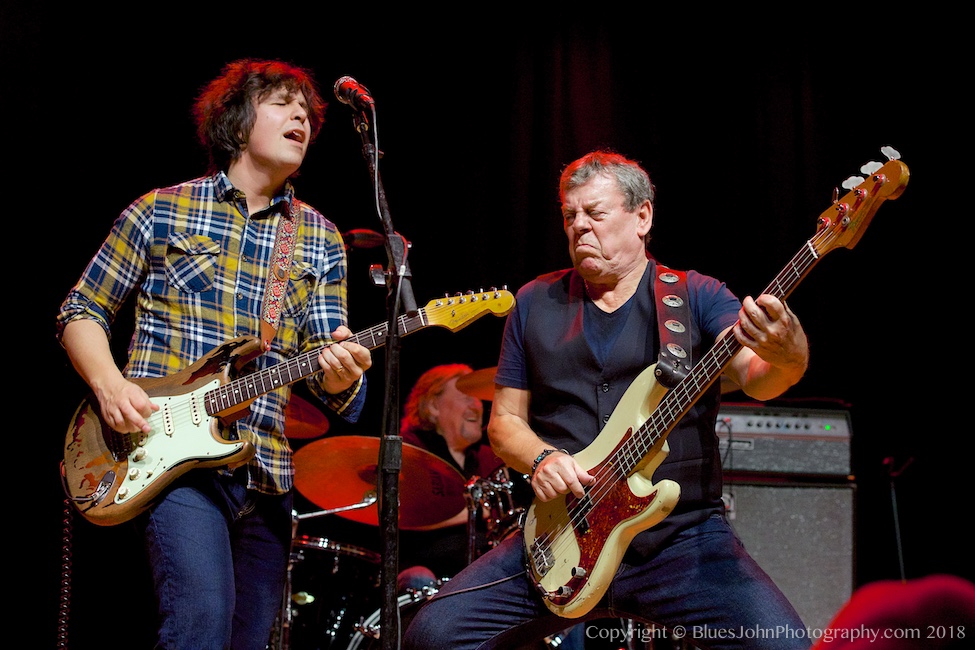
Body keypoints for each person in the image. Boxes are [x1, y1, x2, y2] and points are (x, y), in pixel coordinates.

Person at [403, 149, 812, 650]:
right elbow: (505, 421)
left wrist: (789, 355)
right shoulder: (533, 302)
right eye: (569, 215)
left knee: (783, 645)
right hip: (563, 534)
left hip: (679, 539)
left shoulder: (695, 295)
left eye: (595, 213)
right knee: (434, 634)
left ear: (643, 217)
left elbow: (757, 377)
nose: (579, 226)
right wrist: (541, 458)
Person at [56, 58, 372, 650]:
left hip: (266, 472)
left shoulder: (320, 237)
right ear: (237, 120)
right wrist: (109, 384)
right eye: (282, 104)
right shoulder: (161, 210)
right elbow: (82, 310)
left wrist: (340, 372)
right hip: (167, 456)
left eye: (307, 112)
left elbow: (327, 369)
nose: (301, 117)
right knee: (199, 626)